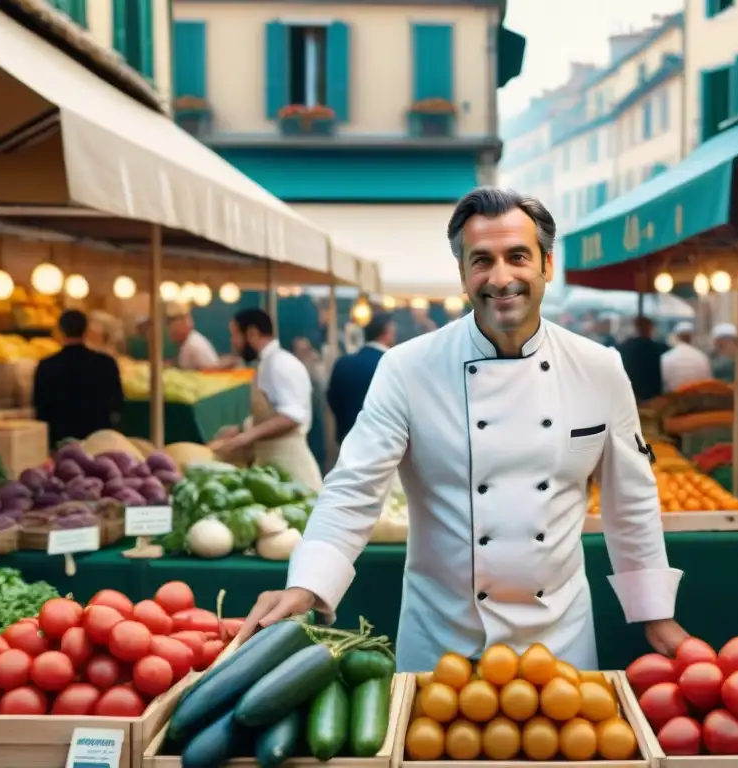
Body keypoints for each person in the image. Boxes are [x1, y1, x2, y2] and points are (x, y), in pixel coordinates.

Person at [238, 188, 687, 670]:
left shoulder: (599, 368)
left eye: (517, 256)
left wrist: (654, 613)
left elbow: (631, 499)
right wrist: (307, 585)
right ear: (462, 274)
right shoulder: (406, 368)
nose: (500, 277)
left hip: (559, 641)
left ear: (546, 265)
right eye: (481, 260)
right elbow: (354, 487)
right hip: (444, 641)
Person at [212, 308, 323, 490]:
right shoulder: (268, 363)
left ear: (252, 334)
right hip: (273, 471)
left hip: (291, 470)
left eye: (235, 335)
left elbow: (291, 416)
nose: (233, 342)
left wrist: (245, 438)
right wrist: (241, 429)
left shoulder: (279, 364)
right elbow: (272, 413)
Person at [33, 310, 124, 449]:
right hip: (98, 442)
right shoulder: (106, 363)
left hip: (60, 442)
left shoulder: (46, 365)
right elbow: (117, 402)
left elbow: (39, 407)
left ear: (60, 331)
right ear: (86, 330)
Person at [327, 313, 395, 445]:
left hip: (347, 437)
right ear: (386, 334)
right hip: (382, 442)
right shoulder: (391, 365)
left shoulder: (343, 363)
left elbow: (333, 400)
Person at [616, 316, 668, 403]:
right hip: (653, 399)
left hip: (628, 396)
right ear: (650, 329)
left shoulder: (621, 349)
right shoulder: (660, 348)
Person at [659, 321, 711, 392]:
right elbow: (707, 382)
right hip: (695, 398)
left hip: (673, 398)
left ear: (677, 337)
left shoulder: (666, 357)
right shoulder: (701, 357)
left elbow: (664, 382)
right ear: (693, 337)